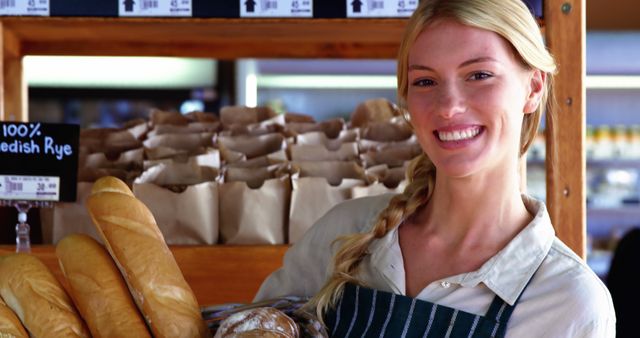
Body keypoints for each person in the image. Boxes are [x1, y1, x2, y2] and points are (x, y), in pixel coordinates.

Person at [255, 0, 616, 336]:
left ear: (533, 88)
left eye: (479, 75)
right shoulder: (343, 234)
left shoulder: (569, 300)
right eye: (426, 81)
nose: (448, 107)